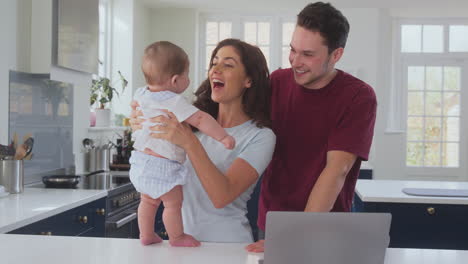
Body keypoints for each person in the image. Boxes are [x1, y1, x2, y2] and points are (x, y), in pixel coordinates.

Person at [246, 2, 377, 252]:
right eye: (293, 50)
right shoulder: (276, 82)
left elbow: (337, 169)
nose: (296, 61)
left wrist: (300, 233)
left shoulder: (358, 96)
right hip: (273, 222)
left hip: (325, 227)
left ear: (336, 55)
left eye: (308, 54)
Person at [130, 38, 276, 243]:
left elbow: (222, 197)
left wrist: (189, 142)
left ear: (248, 80)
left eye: (227, 64)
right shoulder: (189, 119)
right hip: (181, 246)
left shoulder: (260, 136)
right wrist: (140, 123)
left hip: (226, 247)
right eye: (214, 63)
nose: (215, 70)